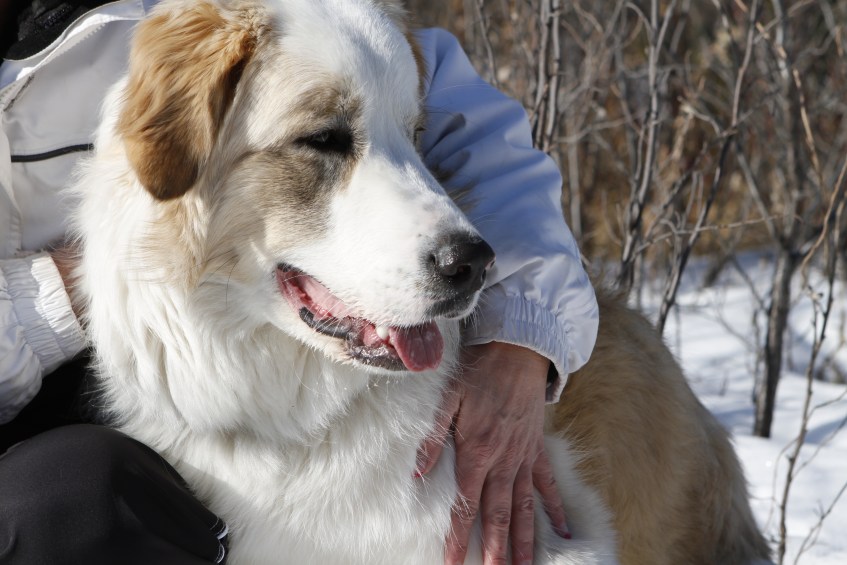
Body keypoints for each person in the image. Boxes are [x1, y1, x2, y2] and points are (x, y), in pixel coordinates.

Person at [0, 1, 599, 564]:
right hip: (74, 421)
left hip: (207, 383)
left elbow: (475, 134)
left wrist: (522, 333)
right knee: (70, 498)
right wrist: (71, 287)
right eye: (324, 141)